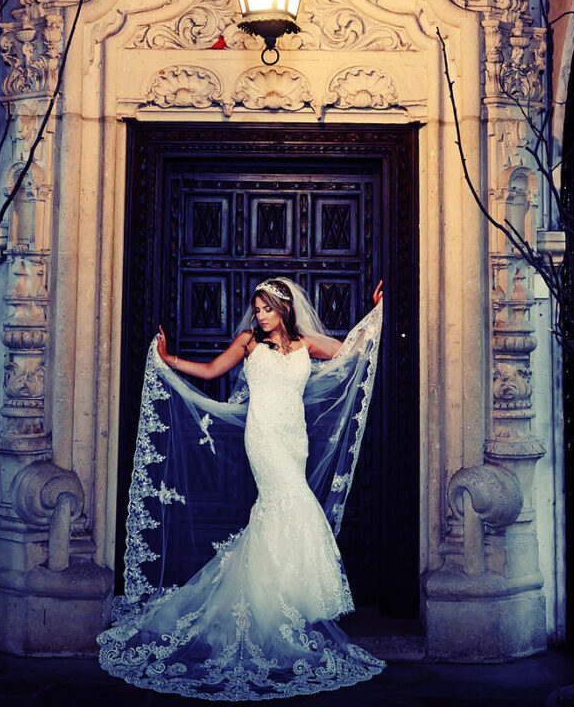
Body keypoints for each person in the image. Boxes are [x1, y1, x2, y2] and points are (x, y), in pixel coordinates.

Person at [98, 277, 385, 700]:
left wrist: (375, 314)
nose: (259, 315)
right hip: (264, 436)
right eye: (257, 308)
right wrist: (168, 358)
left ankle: (281, 607)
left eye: (267, 308)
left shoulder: (306, 344)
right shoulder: (249, 342)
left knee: (287, 511)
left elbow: (351, 352)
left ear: (283, 309)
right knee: (288, 503)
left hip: (294, 438)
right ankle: (275, 610)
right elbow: (214, 370)